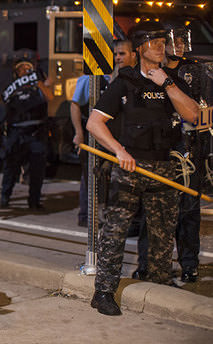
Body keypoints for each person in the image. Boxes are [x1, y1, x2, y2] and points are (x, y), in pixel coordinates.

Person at [86, 21, 199, 316]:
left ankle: (158, 283)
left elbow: (193, 115)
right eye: (154, 42)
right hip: (131, 166)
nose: (161, 46)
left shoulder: (172, 79)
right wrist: (119, 150)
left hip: (164, 165)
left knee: (163, 231)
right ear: (139, 48)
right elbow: (94, 123)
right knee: (115, 230)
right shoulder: (125, 82)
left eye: (163, 41)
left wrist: (167, 83)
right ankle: (103, 291)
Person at [134, 24, 205, 283]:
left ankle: (189, 265)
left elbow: (206, 111)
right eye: (170, 42)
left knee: (188, 210)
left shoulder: (196, 72)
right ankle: (145, 264)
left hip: (188, 149)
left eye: (182, 42)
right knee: (151, 210)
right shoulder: (149, 73)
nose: (178, 47)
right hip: (158, 150)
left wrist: (201, 143)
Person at [70, 40, 135, 227]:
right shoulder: (90, 79)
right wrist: (78, 133)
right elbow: (75, 105)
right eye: (115, 54)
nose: (117, 58)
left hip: (118, 138)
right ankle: (87, 216)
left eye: (121, 54)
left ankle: (113, 216)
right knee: (91, 177)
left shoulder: (125, 80)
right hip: (95, 137)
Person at [0, 55, 53, 210]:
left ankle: (34, 200)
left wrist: (39, 82)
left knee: (37, 169)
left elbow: (49, 96)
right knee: (11, 167)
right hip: (16, 131)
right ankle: (5, 197)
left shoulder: (38, 85)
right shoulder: (11, 88)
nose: (25, 71)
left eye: (28, 68)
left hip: (36, 132)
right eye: (21, 68)